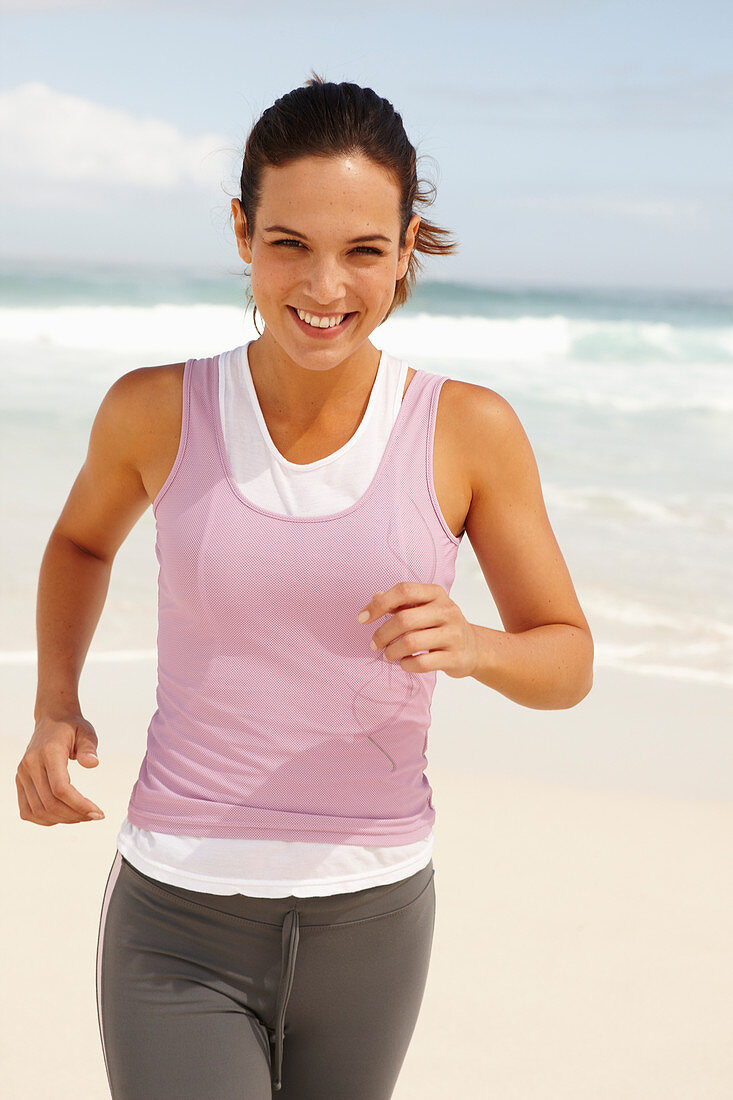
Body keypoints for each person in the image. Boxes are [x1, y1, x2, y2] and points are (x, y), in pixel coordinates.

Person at [15, 75, 594, 1100]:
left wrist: (475, 644)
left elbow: (566, 659)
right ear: (242, 231)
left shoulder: (468, 430)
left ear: (407, 247)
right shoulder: (155, 410)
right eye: (289, 243)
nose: (324, 287)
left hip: (371, 916)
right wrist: (54, 702)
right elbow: (78, 543)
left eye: (364, 250)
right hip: (178, 915)